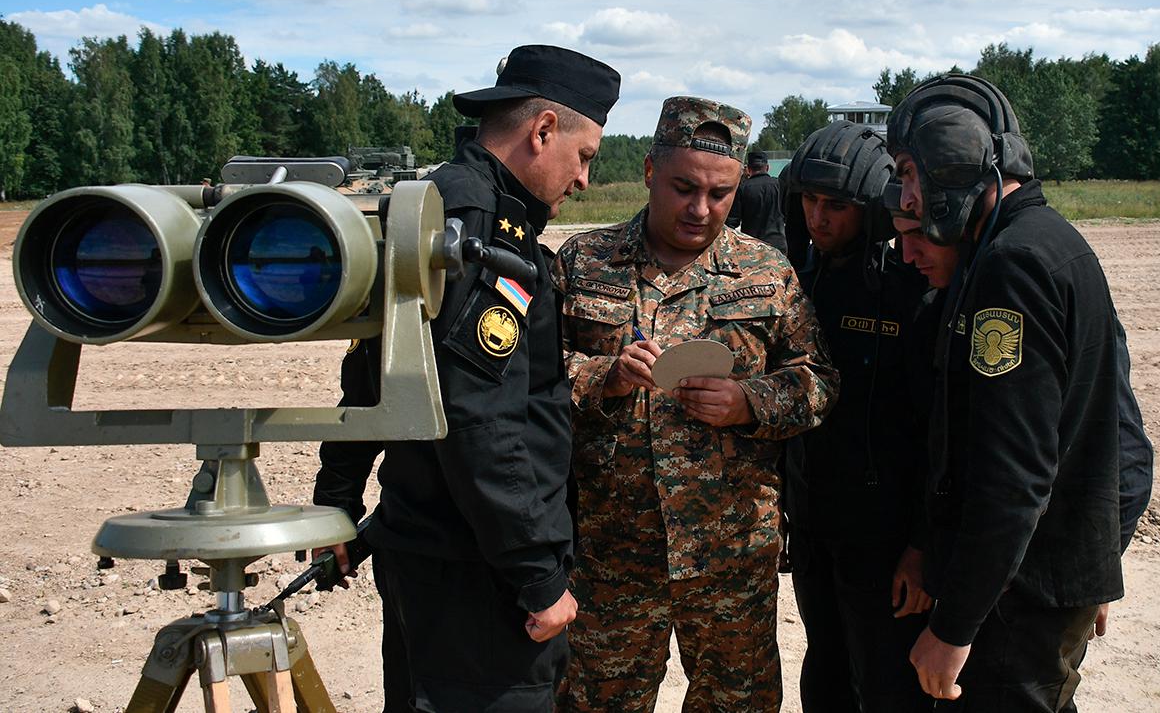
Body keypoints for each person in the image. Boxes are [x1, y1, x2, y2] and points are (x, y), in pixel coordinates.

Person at [312, 44, 620, 712]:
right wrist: (537, 574)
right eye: (585, 155)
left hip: (424, 549)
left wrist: (338, 497)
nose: (584, 181)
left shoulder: (424, 206)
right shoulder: (488, 231)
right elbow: (482, 417)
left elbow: (371, 366)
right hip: (477, 572)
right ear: (542, 131)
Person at [552, 95, 839, 712]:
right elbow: (531, 379)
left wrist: (749, 402)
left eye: (721, 193)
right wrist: (605, 375)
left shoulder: (767, 272)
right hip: (612, 558)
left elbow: (818, 381)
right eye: (684, 188)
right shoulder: (583, 262)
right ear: (651, 172)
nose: (700, 209)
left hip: (731, 558)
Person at [886, 74, 1124, 710]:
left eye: (909, 171)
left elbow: (1012, 475)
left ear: (951, 162)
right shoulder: (1053, 241)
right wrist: (1100, 558)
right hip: (1046, 579)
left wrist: (954, 628)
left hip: (1019, 592)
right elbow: (1113, 424)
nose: (904, 193)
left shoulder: (1010, 267)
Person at [778, 121, 934, 712]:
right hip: (816, 524)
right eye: (810, 202)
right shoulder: (795, 281)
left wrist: (921, 545)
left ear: (870, 209)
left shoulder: (911, 290)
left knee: (888, 683)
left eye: (836, 206)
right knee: (826, 673)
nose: (819, 219)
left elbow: (936, 433)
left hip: (885, 533)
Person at [728, 150, 788, 253]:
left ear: (748, 169)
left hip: (752, 248)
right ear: (767, 167)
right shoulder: (779, 185)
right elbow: (788, 214)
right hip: (778, 246)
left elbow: (732, 222)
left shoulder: (742, 188)